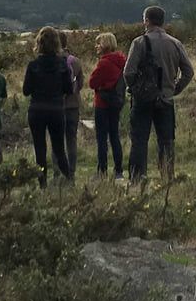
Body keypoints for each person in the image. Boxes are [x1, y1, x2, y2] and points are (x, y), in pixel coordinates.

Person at [123, 5, 195, 183]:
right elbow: (189, 72)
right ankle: (167, 177)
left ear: (147, 21)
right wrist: (174, 88)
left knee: (139, 140)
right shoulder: (175, 43)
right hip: (166, 98)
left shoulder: (139, 43)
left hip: (143, 99)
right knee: (166, 141)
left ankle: (137, 178)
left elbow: (128, 72)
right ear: (163, 21)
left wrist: (134, 88)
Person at [23, 26, 74, 187]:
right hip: (56, 109)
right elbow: (69, 89)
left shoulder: (33, 65)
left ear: (40, 43)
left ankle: (42, 183)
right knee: (59, 149)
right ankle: (69, 180)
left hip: (37, 109)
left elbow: (26, 91)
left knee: (40, 149)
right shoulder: (63, 65)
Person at [86, 32, 128, 178]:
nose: (96, 46)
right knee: (115, 136)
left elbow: (92, 83)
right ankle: (118, 170)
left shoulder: (104, 62)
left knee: (102, 138)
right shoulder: (122, 61)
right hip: (116, 102)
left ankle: (102, 170)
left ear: (105, 45)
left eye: (98, 43)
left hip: (102, 103)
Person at [61, 30, 85, 175]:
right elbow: (81, 83)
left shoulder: (52, 61)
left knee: (57, 141)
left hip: (57, 106)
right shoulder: (75, 61)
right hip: (73, 105)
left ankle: (58, 172)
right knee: (72, 140)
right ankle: (71, 172)